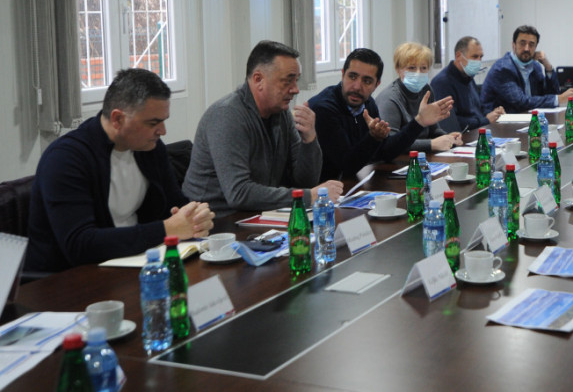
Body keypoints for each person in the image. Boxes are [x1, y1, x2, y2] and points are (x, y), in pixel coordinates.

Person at [25, 69, 215, 273]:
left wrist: (196, 219)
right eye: (153, 123)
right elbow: (80, 245)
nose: (162, 131)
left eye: (163, 120)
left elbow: (174, 204)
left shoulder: (150, 148)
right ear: (117, 119)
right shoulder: (65, 159)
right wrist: (167, 229)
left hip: (135, 262)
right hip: (70, 278)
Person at [182, 41, 338, 214]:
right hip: (216, 220)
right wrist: (307, 197)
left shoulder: (281, 114)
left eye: (296, 80)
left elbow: (305, 182)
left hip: (256, 214)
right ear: (258, 80)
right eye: (288, 81)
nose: (295, 89)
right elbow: (239, 193)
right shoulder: (227, 115)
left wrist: (309, 140)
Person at [309, 48, 452, 180]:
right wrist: (373, 138)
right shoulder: (324, 109)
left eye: (367, 81)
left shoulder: (368, 103)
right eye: (352, 77)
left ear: (376, 84)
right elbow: (347, 165)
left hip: (354, 182)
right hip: (324, 189)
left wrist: (419, 122)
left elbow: (385, 152)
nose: (357, 86)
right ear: (343, 74)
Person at [374, 42, 461, 153]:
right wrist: (431, 144)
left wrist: (447, 138)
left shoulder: (426, 90)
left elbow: (433, 129)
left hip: (422, 156)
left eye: (423, 68)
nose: (418, 73)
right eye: (412, 68)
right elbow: (390, 144)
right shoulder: (389, 99)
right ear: (398, 69)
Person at [480, 25, 573, 114]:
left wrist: (548, 67)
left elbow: (550, 94)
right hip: (498, 123)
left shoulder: (535, 66)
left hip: (527, 118)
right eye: (522, 43)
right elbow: (520, 102)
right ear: (513, 45)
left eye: (531, 44)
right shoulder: (503, 68)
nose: (526, 48)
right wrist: (558, 99)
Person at [430, 36, 505, 132]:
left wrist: (494, 113)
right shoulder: (442, 83)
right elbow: (451, 122)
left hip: (477, 132)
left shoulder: (468, 76)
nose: (478, 61)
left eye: (481, 57)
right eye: (475, 57)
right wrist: (485, 120)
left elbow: (478, 110)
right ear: (458, 56)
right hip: (461, 137)